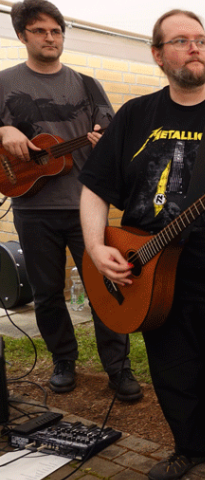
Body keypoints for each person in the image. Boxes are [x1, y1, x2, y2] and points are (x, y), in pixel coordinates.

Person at [78, 10, 205, 480]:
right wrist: (94, 247)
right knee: (175, 377)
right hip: (149, 278)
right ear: (157, 55)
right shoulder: (135, 114)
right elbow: (94, 186)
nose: (195, 47)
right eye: (180, 41)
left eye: (201, 40)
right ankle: (193, 450)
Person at [0, 0, 140, 401]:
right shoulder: (4, 82)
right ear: (22, 35)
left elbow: (114, 139)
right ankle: (64, 360)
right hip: (32, 207)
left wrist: (104, 140)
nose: (50, 38)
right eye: (41, 31)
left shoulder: (87, 84)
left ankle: (118, 367)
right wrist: (2, 132)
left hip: (86, 207)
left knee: (107, 288)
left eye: (56, 31)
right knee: (46, 292)